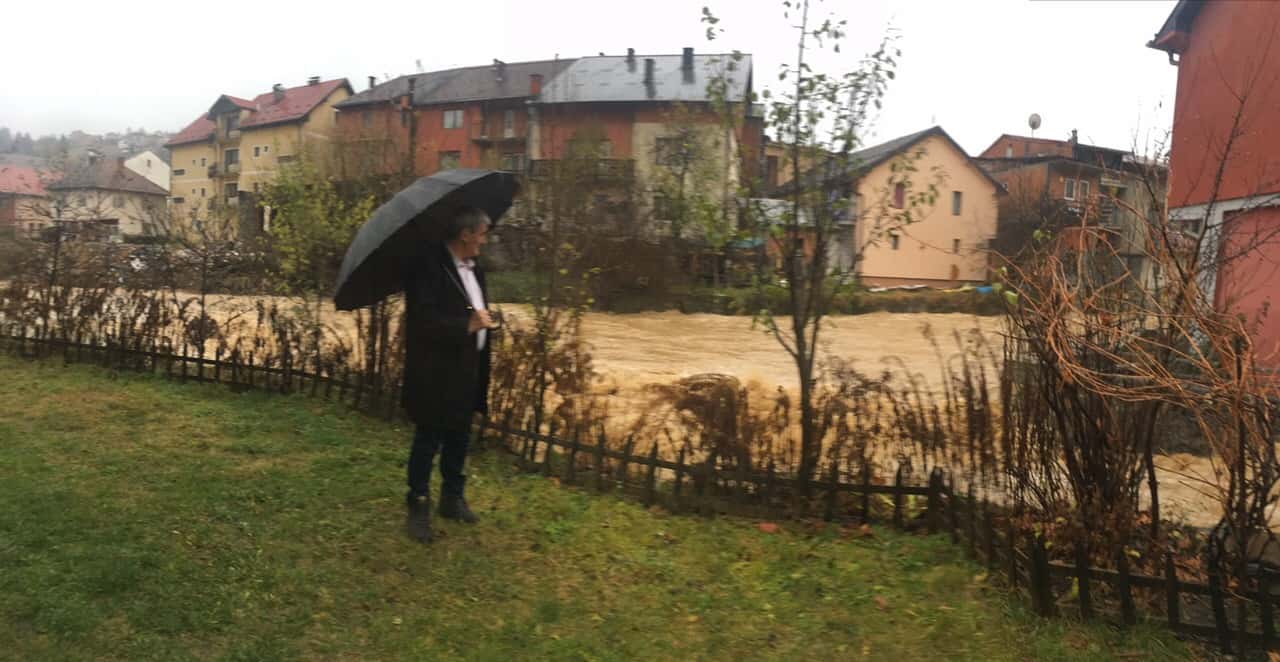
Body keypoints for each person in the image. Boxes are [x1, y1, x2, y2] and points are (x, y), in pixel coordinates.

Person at [400, 206, 496, 544]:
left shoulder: (475, 270)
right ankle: (418, 506)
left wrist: (482, 325)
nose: (484, 241)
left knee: (460, 434)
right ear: (465, 234)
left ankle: (452, 498)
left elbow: (476, 311)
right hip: (436, 370)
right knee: (429, 438)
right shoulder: (429, 268)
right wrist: (465, 325)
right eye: (481, 234)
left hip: (469, 366)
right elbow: (421, 322)